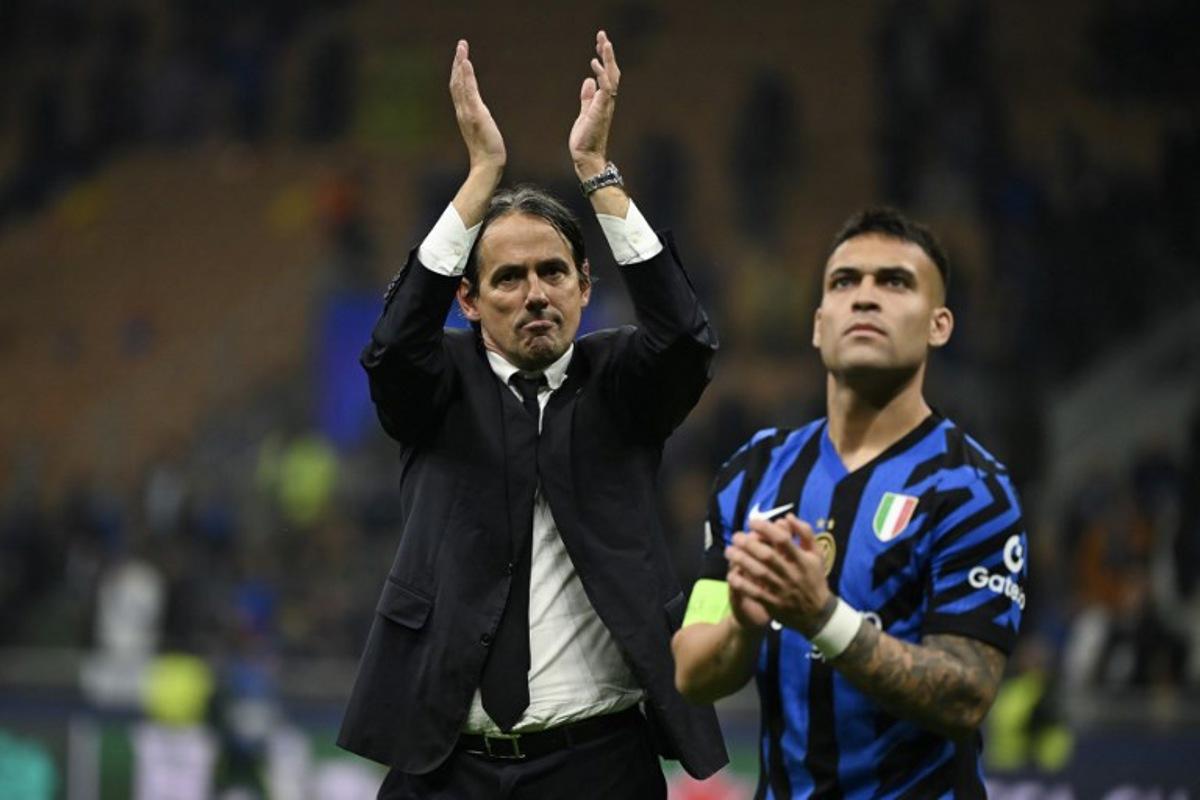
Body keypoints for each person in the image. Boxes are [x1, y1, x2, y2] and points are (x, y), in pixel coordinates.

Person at [337, 31, 727, 798]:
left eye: (554, 272)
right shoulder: (437, 383)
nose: (534, 293)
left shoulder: (620, 380)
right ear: (469, 301)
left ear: (586, 286)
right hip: (444, 765)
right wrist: (481, 177)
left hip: (601, 763)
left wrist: (596, 173)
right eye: (507, 278)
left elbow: (685, 339)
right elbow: (388, 349)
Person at [673, 209, 1028, 798]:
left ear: (939, 326)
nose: (865, 298)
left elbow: (967, 695)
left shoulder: (971, 489)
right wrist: (742, 622)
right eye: (844, 282)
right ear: (818, 325)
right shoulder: (753, 472)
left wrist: (821, 617)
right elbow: (691, 670)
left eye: (895, 282)